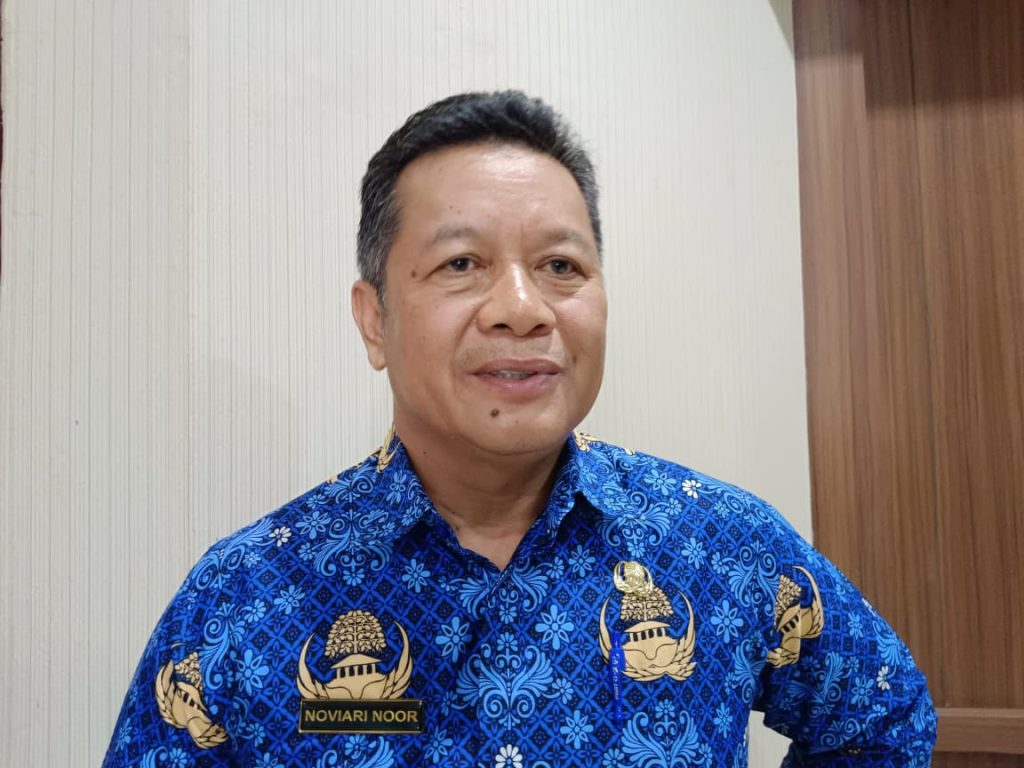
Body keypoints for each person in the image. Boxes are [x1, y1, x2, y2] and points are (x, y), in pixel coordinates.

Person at [104, 91, 936, 767]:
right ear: (374, 319)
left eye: (560, 266)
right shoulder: (243, 598)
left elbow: (883, 717)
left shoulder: (723, 546)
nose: (522, 309)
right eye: (462, 264)